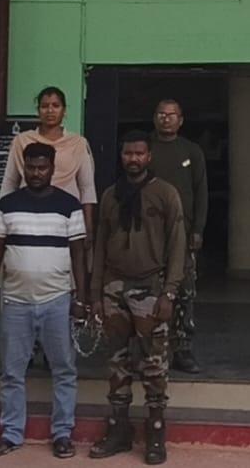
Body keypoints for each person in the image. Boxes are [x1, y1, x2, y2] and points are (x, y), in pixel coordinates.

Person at [0, 142, 88, 459]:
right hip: (15, 302)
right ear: (23, 168)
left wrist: (81, 298)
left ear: (52, 169)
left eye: (42, 167)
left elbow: (79, 254)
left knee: (64, 370)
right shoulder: (7, 205)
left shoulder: (69, 205)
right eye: (31, 167)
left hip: (58, 301)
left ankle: (62, 434)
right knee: (12, 372)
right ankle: (11, 434)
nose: (36, 173)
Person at [90, 130, 186, 465]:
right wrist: (96, 293)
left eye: (139, 154)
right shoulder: (111, 195)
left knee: (154, 364)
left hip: (151, 287)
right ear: (122, 156)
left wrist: (170, 291)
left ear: (149, 157)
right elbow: (100, 244)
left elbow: (178, 245)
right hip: (114, 287)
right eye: (128, 153)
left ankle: (155, 432)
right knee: (117, 362)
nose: (133, 159)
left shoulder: (165, 193)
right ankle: (119, 430)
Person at [149, 99, 208, 374]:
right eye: (161, 114)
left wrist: (198, 229)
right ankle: (150, 348)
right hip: (149, 233)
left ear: (180, 120)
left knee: (184, 291)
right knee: (148, 290)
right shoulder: (145, 148)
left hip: (183, 233)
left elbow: (201, 192)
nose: (166, 119)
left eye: (171, 115)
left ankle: (182, 348)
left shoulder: (191, 151)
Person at [0, 86, 96, 247]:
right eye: (44, 106)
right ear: (38, 110)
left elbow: (86, 187)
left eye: (55, 106)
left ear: (64, 110)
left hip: (66, 215)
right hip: (27, 214)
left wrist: (88, 227)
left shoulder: (78, 143)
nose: (50, 111)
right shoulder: (22, 141)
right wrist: (1, 219)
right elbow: (9, 182)